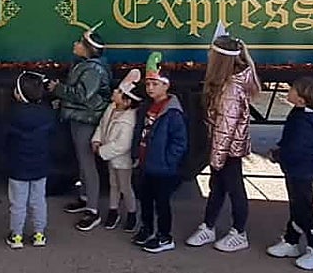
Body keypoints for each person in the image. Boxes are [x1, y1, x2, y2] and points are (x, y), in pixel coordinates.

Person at [186, 31, 260, 253]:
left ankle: (239, 232)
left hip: (228, 150)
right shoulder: (230, 82)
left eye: (211, 52)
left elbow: (224, 129)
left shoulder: (230, 90)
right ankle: (209, 226)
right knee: (218, 187)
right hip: (226, 148)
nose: (208, 55)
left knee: (233, 188)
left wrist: (216, 159)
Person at [264, 76, 313, 270]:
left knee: (304, 210)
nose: (289, 91)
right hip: (300, 169)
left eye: (292, 89)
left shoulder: (303, 121)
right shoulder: (303, 114)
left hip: (301, 170)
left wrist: (277, 155)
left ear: (302, 99)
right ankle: (291, 241)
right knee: (297, 206)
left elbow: (296, 148)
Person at [46, 25, 112, 232]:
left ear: (87, 49)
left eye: (78, 42)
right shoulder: (86, 66)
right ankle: (84, 198)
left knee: (87, 163)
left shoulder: (92, 70)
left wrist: (58, 89)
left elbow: (83, 95)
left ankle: (92, 210)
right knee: (82, 161)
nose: (74, 44)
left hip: (86, 121)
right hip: (79, 118)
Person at [132, 52, 189, 254]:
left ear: (166, 85)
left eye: (155, 84)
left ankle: (165, 237)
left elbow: (179, 142)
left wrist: (168, 161)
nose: (150, 88)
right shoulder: (147, 107)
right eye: (148, 84)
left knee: (162, 204)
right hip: (146, 164)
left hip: (163, 169)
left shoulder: (172, 112)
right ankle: (147, 228)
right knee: (145, 200)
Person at [5, 71, 55, 248]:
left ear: (19, 94)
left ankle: (17, 236)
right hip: (40, 165)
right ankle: (39, 234)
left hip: (18, 166)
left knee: (18, 203)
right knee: (38, 200)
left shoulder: (12, 114)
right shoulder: (47, 114)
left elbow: (4, 138)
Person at [91, 70, 141, 232]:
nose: (114, 92)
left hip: (122, 160)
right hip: (111, 158)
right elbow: (102, 125)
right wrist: (97, 139)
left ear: (127, 102)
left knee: (125, 187)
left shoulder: (128, 120)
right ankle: (113, 210)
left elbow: (122, 145)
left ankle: (132, 213)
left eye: (119, 92)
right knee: (113, 184)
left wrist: (102, 151)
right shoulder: (111, 108)